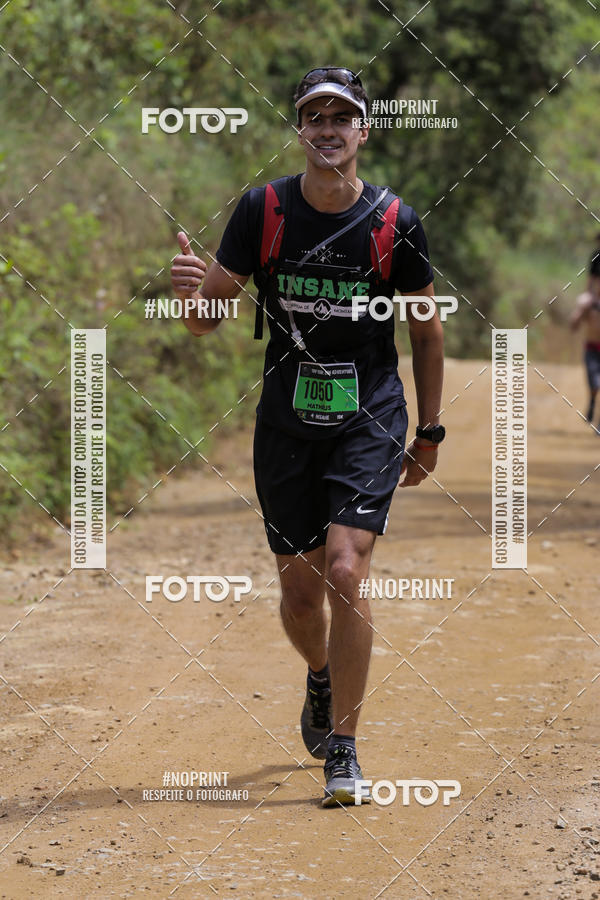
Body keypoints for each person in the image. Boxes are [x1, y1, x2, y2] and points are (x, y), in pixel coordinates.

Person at [170, 67, 445, 807]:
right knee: (300, 592)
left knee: (348, 570)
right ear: (300, 130)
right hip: (287, 418)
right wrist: (190, 293)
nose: (327, 128)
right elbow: (205, 320)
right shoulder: (263, 211)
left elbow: (426, 332)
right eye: (313, 117)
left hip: (369, 414)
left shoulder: (396, 222)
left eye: (341, 116)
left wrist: (430, 430)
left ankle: (345, 752)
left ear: (363, 130)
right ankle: (319, 678)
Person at [570, 232, 600, 428]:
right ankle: (591, 402)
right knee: (594, 382)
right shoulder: (596, 256)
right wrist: (587, 301)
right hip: (595, 296)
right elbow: (590, 281)